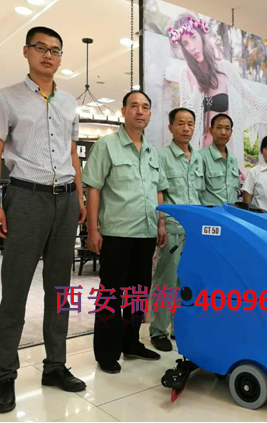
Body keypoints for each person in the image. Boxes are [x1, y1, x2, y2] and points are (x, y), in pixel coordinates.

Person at [0, 26, 87, 414]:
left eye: (55, 50)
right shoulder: (6, 97)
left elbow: (72, 153)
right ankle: (5, 376)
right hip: (26, 197)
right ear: (26, 52)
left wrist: (79, 196)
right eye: (40, 47)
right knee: (16, 289)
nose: (48, 55)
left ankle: (55, 365)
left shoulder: (69, 102)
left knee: (60, 289)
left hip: (65, 200)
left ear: (61, 58)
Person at [83, 90, 167, 374]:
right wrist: (92, 229)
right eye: (134, 106)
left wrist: (161, 223)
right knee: (111, 295)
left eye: (145, 107)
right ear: (123, 111)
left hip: (145, 233)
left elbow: (158, 190)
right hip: (116, 233)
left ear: (150, 114)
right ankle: (106, 352)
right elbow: (93, 188)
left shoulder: (152, 151)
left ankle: (131, 343)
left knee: (138, 293)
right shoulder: (106, 146)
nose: (140, 111)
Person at [170, 13, 267, 170]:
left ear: (202, 36)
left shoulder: (225, 68)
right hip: (199, 155)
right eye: (185, 43)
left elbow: (252, 100)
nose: (191, 47)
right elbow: (185, 117)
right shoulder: (186, 74)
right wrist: (197, 86)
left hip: (225, 153)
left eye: (193, 37)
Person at [150, 108, 204, 352]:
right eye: (180, 123)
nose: (186, 128)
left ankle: (178, 327)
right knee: (166, 281)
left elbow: (201, 194)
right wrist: (160, 223)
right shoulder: (161, 156)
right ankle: (158, 330)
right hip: (172, 228)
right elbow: (157, 192)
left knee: (187, 282)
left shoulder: (198, 158)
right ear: (170, 127)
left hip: (194, 231)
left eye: (190, 124)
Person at [199, 114, 240, 206]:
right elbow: (196, 191)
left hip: (231, 213)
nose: (223, 132)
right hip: (210, 214)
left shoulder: (233, 159)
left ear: (231, 132)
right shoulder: (201, 157)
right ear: (211, 131)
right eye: (219, 127)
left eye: (227, 128)